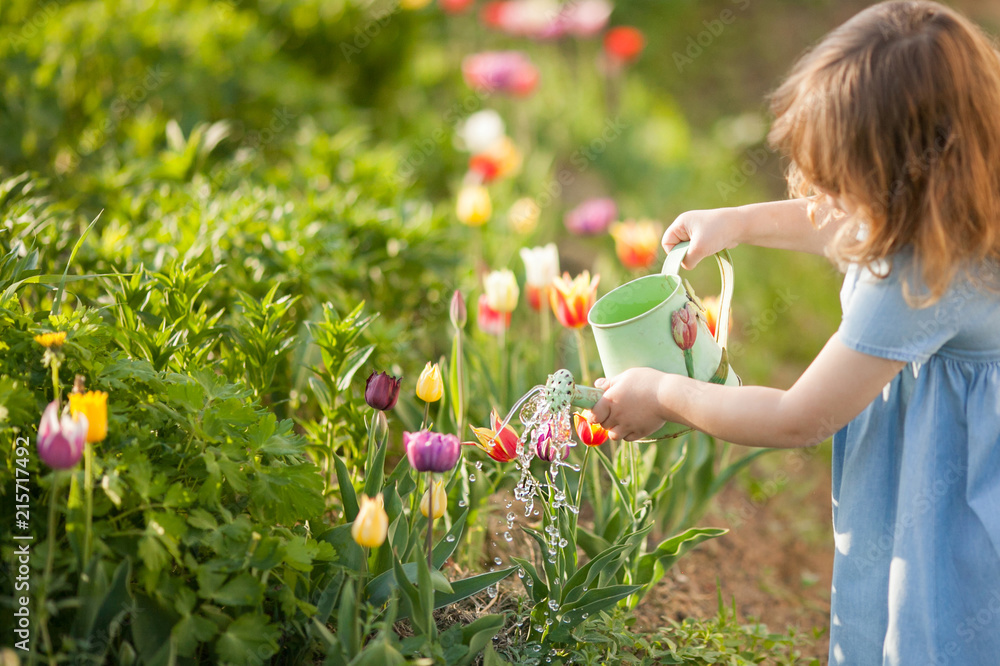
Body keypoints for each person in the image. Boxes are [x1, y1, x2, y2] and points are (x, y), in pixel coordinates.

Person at [589, 2, 1000, 664]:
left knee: (943, 623)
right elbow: (855, 221)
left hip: (959, 492)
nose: (824, 200)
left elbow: (795, 419)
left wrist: (665, 393)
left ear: (904, 180)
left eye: (841, 182)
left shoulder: (915, 275)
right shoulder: (967, 197)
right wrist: (742, 221)